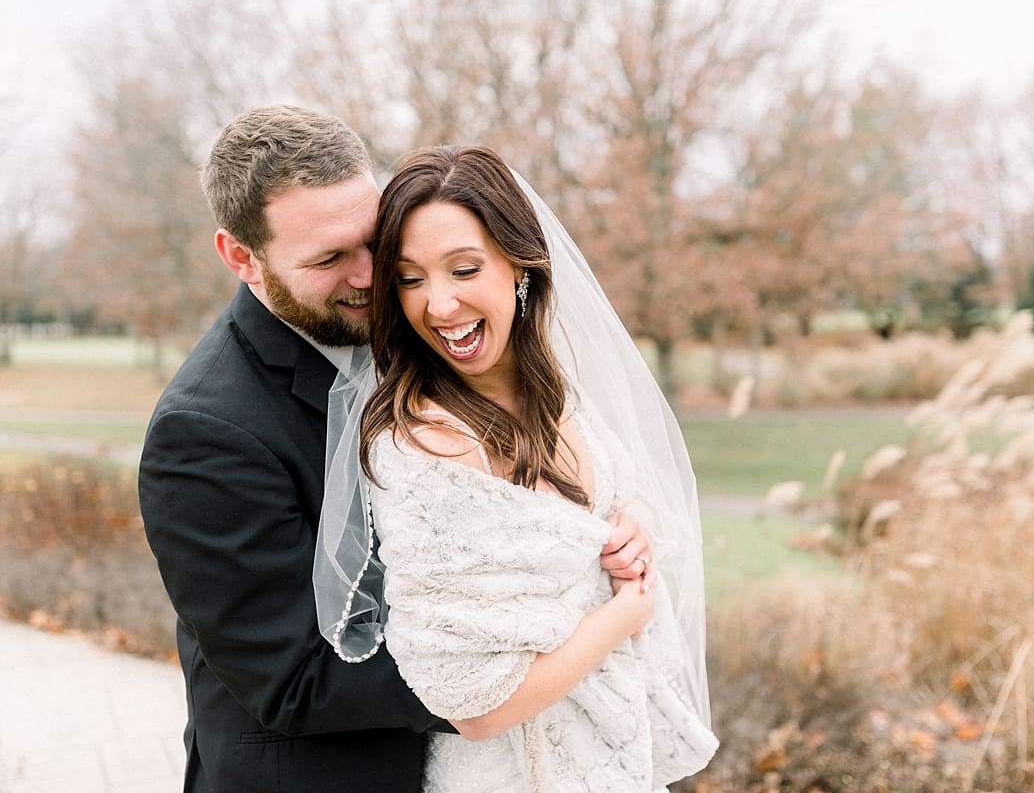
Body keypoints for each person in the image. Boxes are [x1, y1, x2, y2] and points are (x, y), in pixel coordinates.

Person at [140, 105, 654, 792]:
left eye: (373, 242)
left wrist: (597, 536)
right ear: (242, 258)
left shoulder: (427, 330)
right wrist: (543, 654)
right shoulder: (204, 433)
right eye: (328, 259)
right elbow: (295, 682)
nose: (367, 276)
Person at [314, 145, 718, 792]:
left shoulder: (567, 396)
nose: (439, 305)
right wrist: (622, 615)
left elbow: (612, 506)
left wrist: (631, 531)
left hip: (611, 760)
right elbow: (470, 705)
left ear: (518, 266)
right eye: (411, 278)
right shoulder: (422, 448)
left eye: (464, 268)